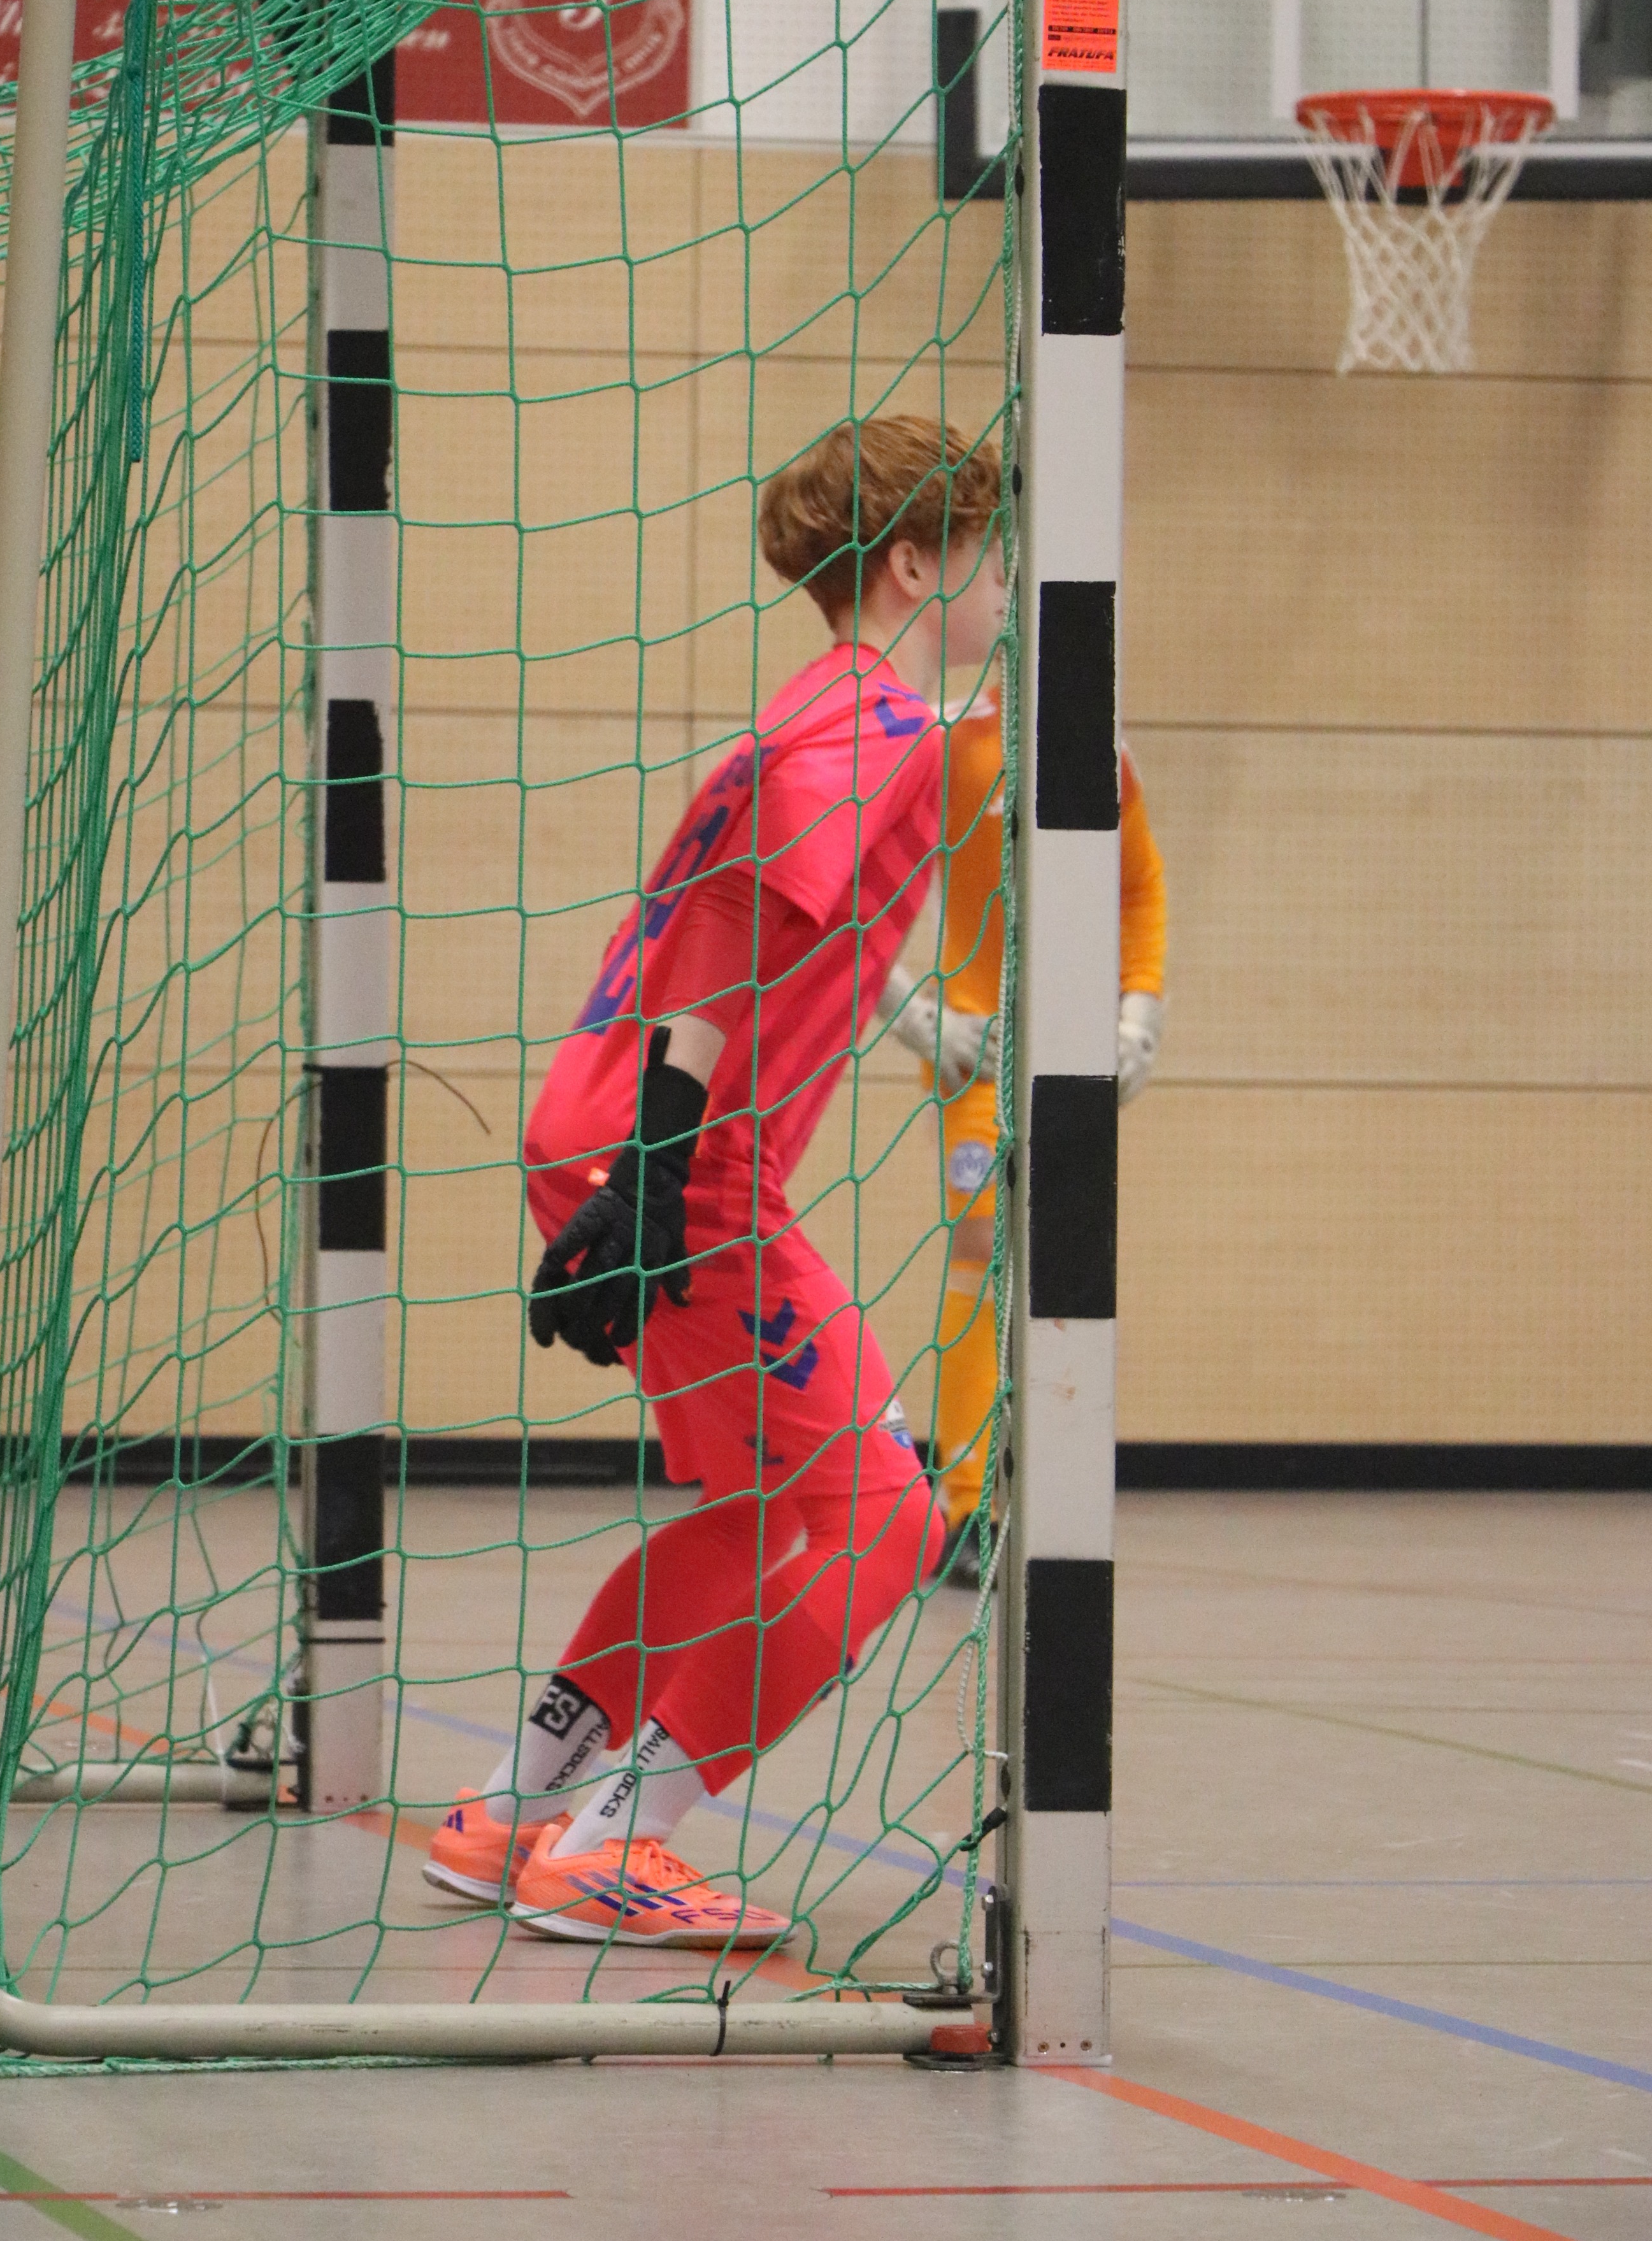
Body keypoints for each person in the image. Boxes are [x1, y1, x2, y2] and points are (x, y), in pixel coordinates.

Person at [422, 415, 1006, 1945]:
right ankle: (624, 1833)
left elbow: (786, 931)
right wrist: (662, 1178)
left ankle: (514, 1804)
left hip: (608, 1115)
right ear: (917, 563)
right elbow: (732, 959)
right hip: (684, 1149)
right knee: (890, 1513)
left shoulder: (813, 712)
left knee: (765, 1508)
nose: (1002, 583)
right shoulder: (876, 728)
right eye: (988, 555)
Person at [876, 696, 1167, 1586]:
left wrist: (1137, 1015)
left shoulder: (1098, 745)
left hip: (1073, 1049)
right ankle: (963, 1508)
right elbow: (849, 882)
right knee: (978, 1251)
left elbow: (1140, 885)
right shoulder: (941, 737)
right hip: (980, 1047)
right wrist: (910, 1015)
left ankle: (1053, 1503)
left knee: (1062, 1268)